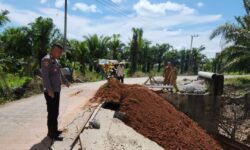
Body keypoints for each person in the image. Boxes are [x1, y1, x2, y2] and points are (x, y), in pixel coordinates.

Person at [41, 43, 70, 141]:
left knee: (55, 111)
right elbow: (45, 77)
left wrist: (65, 82)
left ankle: (55, 130)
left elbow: (60, 73)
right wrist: (49, 90)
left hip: (56, 90)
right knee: (52, 112)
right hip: (51, 91)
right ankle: (51, 133)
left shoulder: (55, 60)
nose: (60, 54)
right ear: (53, 50)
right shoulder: (46, 60)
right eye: (59, 52)